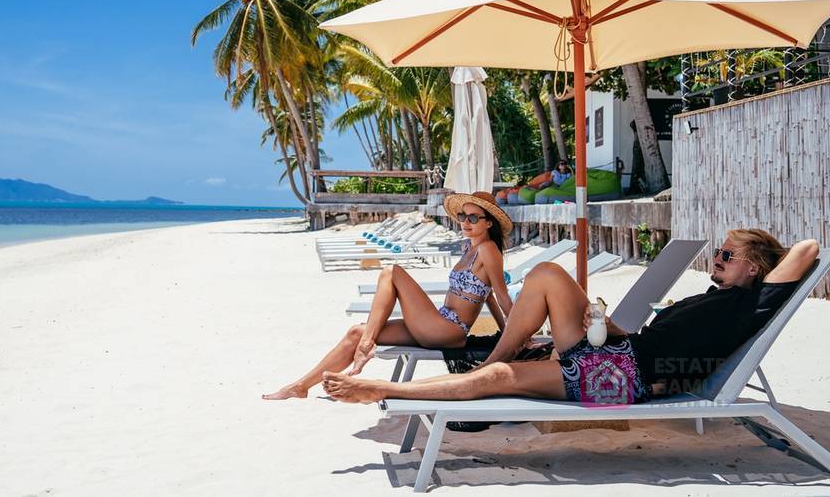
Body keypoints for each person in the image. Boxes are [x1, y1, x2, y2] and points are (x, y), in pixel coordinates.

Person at [322, 230, 818, 405]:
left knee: (499, 375)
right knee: (545, 275)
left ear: (755, 267)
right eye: (721, 252)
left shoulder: (750, 303)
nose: (719, 258)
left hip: (624, 379)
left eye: (729, 255)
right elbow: (656, 338)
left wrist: (761, 269)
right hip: (619, 355)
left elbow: (808, 249)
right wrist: (610, 326)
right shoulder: (713, 297)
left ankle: (385, 389)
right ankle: (499, 352)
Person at [263, 192, 515, 400]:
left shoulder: (488, 249)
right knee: (356, 331)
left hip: (449, 329)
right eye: (462, 215)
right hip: (438, 322)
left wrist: (517, 337)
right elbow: (489, 296)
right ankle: (301, 386)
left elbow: (502, 296)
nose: (466, 221)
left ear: (489, 223)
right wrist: (505, 330)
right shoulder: (469, 248)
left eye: (473, 217)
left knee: (390, 273)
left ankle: (365, 348)